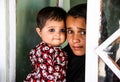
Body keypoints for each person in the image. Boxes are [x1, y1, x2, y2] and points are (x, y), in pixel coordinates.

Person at [24, 6, 67, 82]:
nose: (58, 34)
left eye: (63, 30)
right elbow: (47, 77)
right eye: (52, 30)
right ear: (39, 32)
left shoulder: (59, 50)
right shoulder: (43, 51)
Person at [64, 3, 87, 82]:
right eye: (70, 31)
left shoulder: (110, 62)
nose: (75, 39)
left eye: (83, 32)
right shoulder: (58, 59)